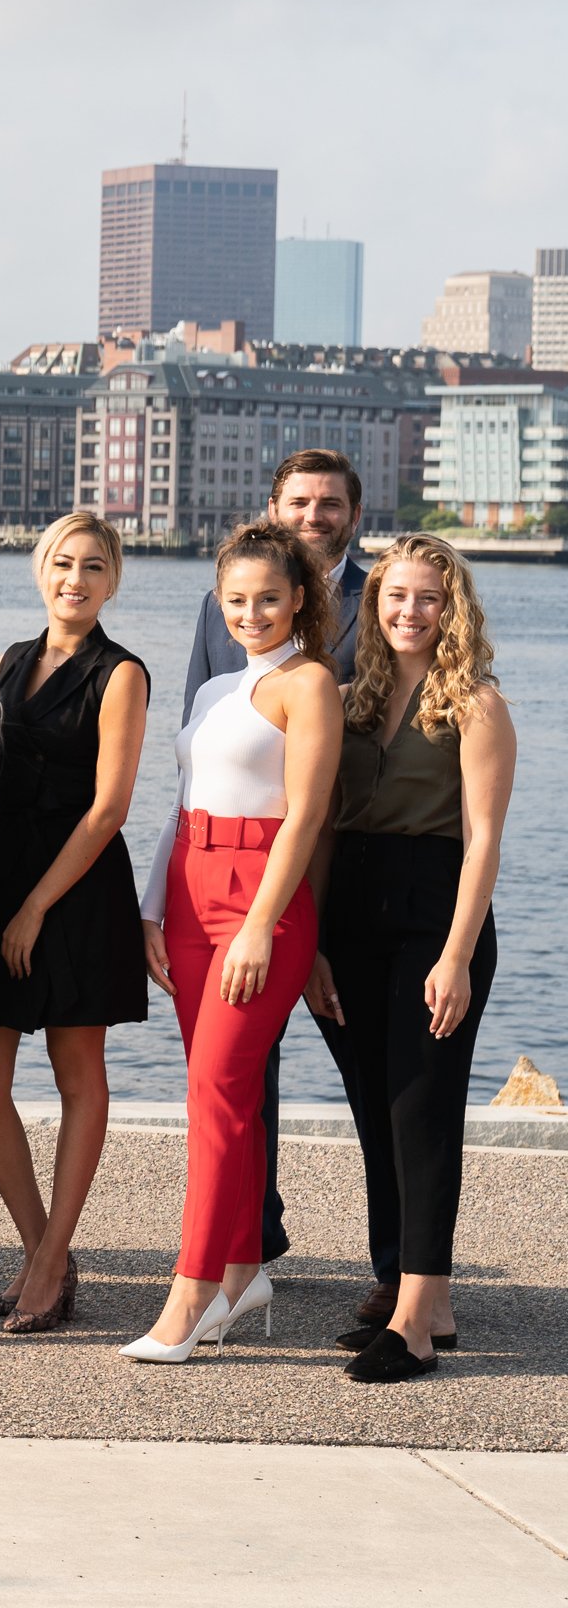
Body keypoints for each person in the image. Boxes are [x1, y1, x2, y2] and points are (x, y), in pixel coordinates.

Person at [123, 522, 341, 1364]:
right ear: (220, 601)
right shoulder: (215, 688)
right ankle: (244, 1271)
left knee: (215, 1092)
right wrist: (150, 909)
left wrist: (258, 925)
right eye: (238, 600)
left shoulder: (308, 683)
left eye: (270, 599)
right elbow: (183, 804)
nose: (253, 613)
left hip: (261, 900)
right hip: (187, 893)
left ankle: (192, 1293)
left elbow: (306, 816)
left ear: (299, 599)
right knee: (225, 1096)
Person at [182, 449, 377, 1296]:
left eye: (330, 502)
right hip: (226, 877)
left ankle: (397, 1272)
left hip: (348, 866)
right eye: (299, 500)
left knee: (369, 1076)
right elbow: (203, 740)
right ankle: (247, 1250)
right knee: (236, 1080)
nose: (314, 514)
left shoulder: (386, 598)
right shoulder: (222, 606)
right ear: (274, 508)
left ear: (354, 515)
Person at [0, 512, 147, 1334]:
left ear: (112, 581)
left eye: (93, 566)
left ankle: (48, 1261)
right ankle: (45, 1253)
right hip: (0, 881)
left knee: (78, 1074)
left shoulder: (122, 673)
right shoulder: (9, 660)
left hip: (78, 888)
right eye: (63, 563)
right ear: (41, 570)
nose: (76, 579)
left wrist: (37, 906)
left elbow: (109, 809)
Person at [323, 536, 507, 1383]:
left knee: (422, 1113)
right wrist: (315, 944)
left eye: (428, 597)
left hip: (436, 914)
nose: (409, 610)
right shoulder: (350, 699)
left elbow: (483, 842)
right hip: (351, 912)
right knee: (377, 1108)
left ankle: (416, 1329)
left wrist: (457, 956)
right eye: (395, 595)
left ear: (451, 608)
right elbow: (322, 826)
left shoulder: (476, 705)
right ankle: (417, 1295)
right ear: (374, 603)